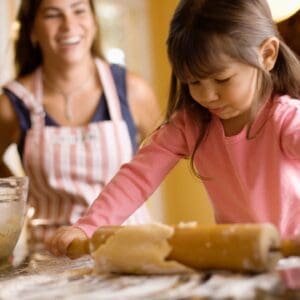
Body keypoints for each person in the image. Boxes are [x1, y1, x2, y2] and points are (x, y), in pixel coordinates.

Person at [49, 0, 300, 257]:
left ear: (267, 55)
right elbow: (137, 178)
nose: (208, 94)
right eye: (194, 81)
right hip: (241, 257)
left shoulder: (287, 118)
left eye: (222, 79)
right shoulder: (190, 124)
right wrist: (89, 227)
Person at [0, 0, 160, 248]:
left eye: (79, 10)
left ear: (94, 22)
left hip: (131, 248)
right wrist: (19, 197)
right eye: (53, 15)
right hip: (51, 257)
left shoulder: (132, 91)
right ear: (32, 29)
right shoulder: (12, 103)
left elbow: (163, 156)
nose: (69, 25)